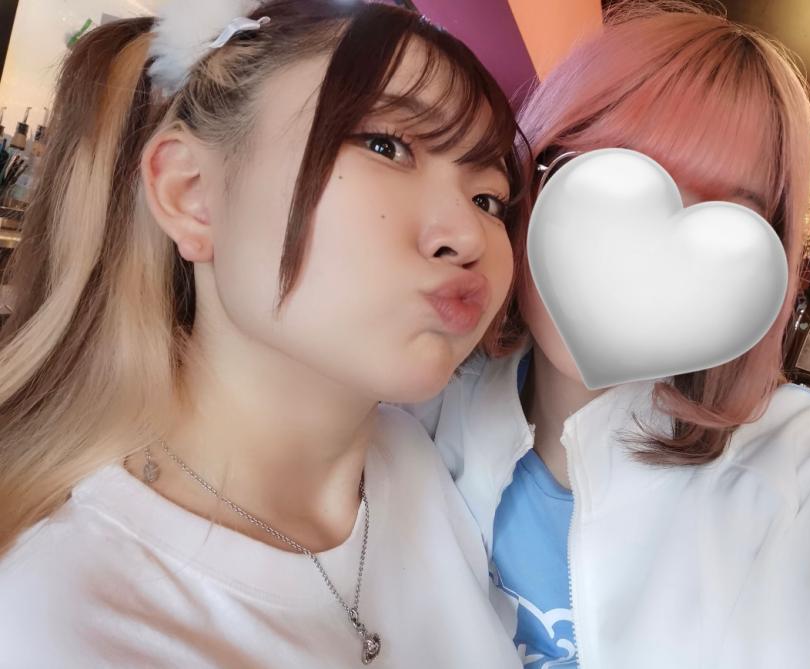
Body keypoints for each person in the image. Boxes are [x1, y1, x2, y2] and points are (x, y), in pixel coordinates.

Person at [0, 1, 528, 666]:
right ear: (192, 193)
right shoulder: (56, 627)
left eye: (489, 199)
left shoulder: (424, 462)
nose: (469, 235)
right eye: (386, 146)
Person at [406, 3, 810, 667]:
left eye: (724, 225)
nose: (646, 265)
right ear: (530, 184)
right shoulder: (419, 404)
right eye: (606, 187)